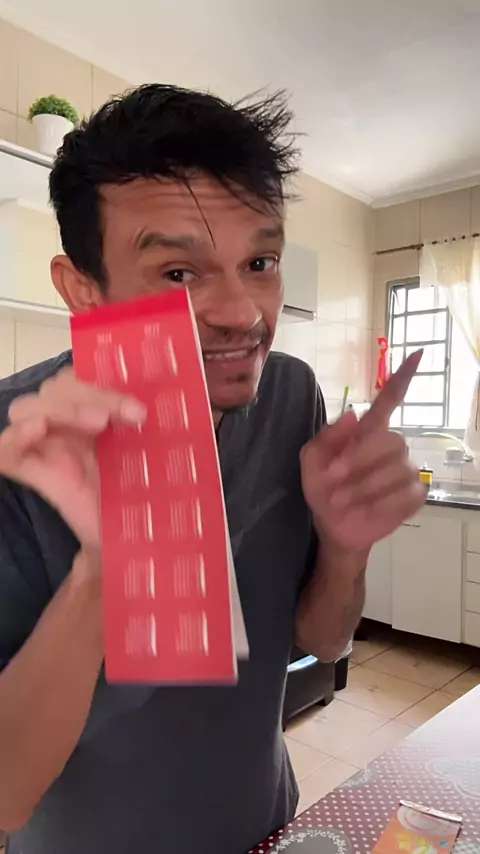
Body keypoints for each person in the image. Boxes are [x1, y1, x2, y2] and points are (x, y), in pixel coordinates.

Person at [0, 85, 425, 854]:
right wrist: (105, 573)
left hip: (266, 825)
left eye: (259, 262)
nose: (243, 313)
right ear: (82, 290)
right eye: (178, 272)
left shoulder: (290, 394)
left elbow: (321, 643)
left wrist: (345, 550)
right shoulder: (14, 439)